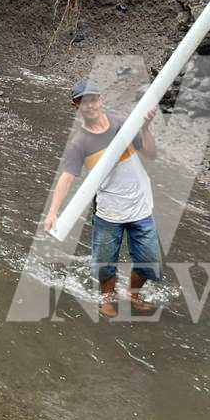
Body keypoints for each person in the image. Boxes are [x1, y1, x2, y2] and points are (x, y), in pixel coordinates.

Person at [42, 78, 162, 318]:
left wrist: (146, 128)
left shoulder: (122, 124)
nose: (89, 105)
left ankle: (133, 293)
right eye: (82, 101)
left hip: (140, 206)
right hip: (109, 211)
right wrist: (53, 212)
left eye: (93, 99)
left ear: (101, 100)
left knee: (150, 260)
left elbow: (151, 155)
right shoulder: (79, 143)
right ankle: (107, 298)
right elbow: (67, 177)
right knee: (105, 261)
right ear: (76, 106)